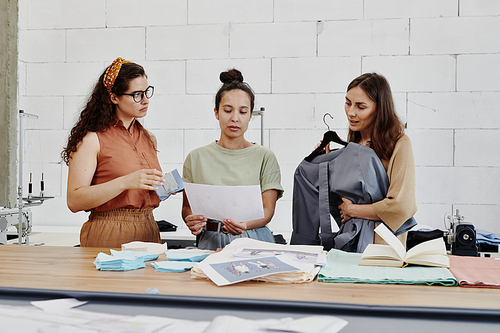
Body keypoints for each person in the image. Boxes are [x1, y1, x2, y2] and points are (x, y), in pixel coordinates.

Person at [61, 57, 165, 248]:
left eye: (147, 92)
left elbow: (142, 189)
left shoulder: (148, 137)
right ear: (114, 97)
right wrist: (126, 182)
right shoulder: (92, 139)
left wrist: (163, 186)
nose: (145, 100)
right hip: (109, 232)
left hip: (149, 230)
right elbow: (74, 201)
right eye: (137, 94)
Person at [182, 69, 283, 250]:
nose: (235, 118)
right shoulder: (196, 158)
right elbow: (187, 208)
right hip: (210, 241)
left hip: (254, 241)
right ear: (216, 112)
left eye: (243, 112)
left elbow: (268, 211)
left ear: (250, 115)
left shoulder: (265, 157)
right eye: (228, 110)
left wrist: (244, 225)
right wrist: (192, 220)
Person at [327, 72, 417, 246]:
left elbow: (401, 206)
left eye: (361, 107)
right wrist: (328, 163)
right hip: (351, 238)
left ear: (379, 109)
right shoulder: (353, 145)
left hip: (383, 243)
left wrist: (352, 210)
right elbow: (342, 203)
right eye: (347, 103)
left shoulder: (399, 144)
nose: (351, 112)